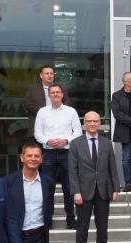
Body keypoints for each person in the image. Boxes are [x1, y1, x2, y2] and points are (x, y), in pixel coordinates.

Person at [67, 112, 124, 243]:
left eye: (95, 121)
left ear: (100, 123)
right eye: (89, 121)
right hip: (83, 192)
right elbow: (72, 171)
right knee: (82, 229)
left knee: (103, 229)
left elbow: (113, 167)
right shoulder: (76, 144)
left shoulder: (107, 143)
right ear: (84, 123)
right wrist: (75, 192)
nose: (92, 123)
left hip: (103, 191)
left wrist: (115, 188)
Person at [33, 83, 81, 229]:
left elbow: (78, 132)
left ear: (62, 94)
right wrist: (47, 140)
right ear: (49, 95)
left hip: (67, 153)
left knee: (69, 187)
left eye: (58, 92)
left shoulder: (71, 111)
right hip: (48, 153)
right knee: (48, 187)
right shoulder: (42, 112)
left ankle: (71, 218)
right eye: (52, 92)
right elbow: (37, 133)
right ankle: (47, 219)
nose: (55, 94)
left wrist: (66, 140)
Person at [23, 65, 56, 135]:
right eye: (47, 73)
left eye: (51, 73)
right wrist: (45, 112)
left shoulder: (60, 88)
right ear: (41, 75)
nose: (49, 75)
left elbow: (67, 103)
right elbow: (28, 104)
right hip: (38, 124)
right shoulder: (32, 88)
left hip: (57, 125)